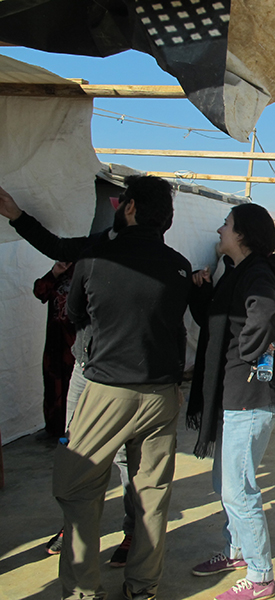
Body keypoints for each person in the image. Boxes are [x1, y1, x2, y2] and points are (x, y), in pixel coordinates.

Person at [55, 174, 192, 600]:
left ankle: (83, 591)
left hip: (107, 390)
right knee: (151, 493)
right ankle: (142, 589)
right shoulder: (180, 266)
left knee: (79, 489)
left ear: (129, 208)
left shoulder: (97, 259)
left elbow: (74, 312)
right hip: (162, 395)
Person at [0, 183, 138, 563]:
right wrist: (16, 216)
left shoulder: (149, 258)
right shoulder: (95, 248)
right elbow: (56, 258)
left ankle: (131, 534)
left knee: (124, 455)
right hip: (82, 365)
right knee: (76, 449)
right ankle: (75, 526)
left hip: (121, 373)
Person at [186, 203, 275, 600]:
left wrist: (248, 353)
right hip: (235, 395)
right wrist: (200, 290)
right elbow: (214, 322)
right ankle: (236, 552)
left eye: (226, 225)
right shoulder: (236, 273)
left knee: (238, 490)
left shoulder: (256, 274)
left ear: (243, 235)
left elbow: (262, 312)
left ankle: (261, 576)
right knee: (224, 482)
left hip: (250, 395)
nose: (219, 230)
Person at [33, 260, 76, 439]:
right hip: (54, 342)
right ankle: (53, 429)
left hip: (74, 342)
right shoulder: (56, 277)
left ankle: (74, 429)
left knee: (74, 386)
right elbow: (40, 291)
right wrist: (55, 272)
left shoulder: (84, 273)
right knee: (53, 386)